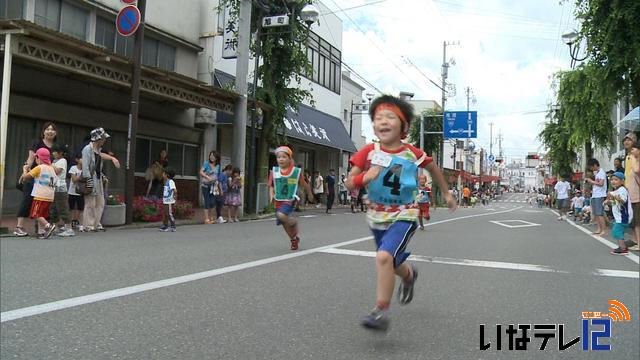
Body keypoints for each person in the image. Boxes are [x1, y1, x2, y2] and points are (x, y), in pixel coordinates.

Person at [345, 94, 457, 331]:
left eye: (390, 117)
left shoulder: (412, 154)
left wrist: (446, 193)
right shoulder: (368, 151)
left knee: (384, 257)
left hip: (404, 213)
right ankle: (408, 275)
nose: (383, 121)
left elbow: (434, 168)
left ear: (404, 126)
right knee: (391, 262)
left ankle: (380, 312)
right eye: (378, 118)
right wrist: (365, 176)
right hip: (376, 215)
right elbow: (349, 182)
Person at [14, 122, 57, 237]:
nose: (50, 131)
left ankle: (42, 229)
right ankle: (19, 227)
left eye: (52, 129)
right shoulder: (36, 142)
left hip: (46, 179)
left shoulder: (56, 146)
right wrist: (25, 172)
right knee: (27, 200)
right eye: (47, 129)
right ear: (43, 131)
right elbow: (30, 158)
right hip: (34, 175)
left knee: (43, 204)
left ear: (55, 132)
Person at [268, 146, 314, 250]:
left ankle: (293, 222)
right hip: (278, 200)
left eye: (284, 157)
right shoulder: (274, 172)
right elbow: (271, 185)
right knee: (283, 223)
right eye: (279, 157)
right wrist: (271, 196)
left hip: (290, 199)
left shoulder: (295, 172)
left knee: (281, 215)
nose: (281, 159)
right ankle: (294, 239)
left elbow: (305, 185)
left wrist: (310, 194)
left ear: (289, 158)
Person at [82, 128, 120, 232]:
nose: (104, 140)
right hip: (91, 179)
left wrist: (113, 159)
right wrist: (89, 182)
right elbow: (85, 167)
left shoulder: (98, 150)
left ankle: (96, 224)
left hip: (98, 179)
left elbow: (101, 158)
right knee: (90, 203)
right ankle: (88, 225)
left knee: (100, 202)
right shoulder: (87, 149)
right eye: (103, 138)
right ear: (97, 139)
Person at [18, 148, 57, 239]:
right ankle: (41, 232)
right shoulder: (51, 168)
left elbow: (25, 177)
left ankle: (48, 226)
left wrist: (24, 169)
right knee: (42, 214)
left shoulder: (39, 167)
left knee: (36, 214)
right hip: (50, 196)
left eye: (36, 158)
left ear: (38, 158)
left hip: (40, 195)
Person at [605, 172, 633, 255]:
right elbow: (615, 203)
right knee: (618, 231)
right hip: (619, 216)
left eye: (616, 180)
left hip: (623, 216)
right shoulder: (617, 190)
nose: (613, 181)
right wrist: (608, 202)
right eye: (612, 179)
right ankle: (622, 246)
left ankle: (623, 248)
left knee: (617, 231)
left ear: (622, 181)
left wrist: (614, 197)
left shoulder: (622, 190)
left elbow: (623, 200)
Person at [50, 145, 74, 237]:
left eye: (55, 151)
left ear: (61, 153)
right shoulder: (54, 161)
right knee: (53, 208)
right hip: (53, 186)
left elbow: (57, 171)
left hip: (60, 187)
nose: (53, 153)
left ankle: (69, 228)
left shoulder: (62, 160)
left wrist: (50, 165)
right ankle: (55, 227)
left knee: (63, 207)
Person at [623, 133, 640, 251]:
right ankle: (635, 240)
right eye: (625, 140)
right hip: (630, 189)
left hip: (636, 191)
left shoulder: (635, 158)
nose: (626, 142)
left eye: (629, 140)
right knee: (633, 217)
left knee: (637, 218)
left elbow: (636, 170)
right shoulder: (628, 156)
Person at [586, 158, 607, 235]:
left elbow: (601, 183)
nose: (591, 169)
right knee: (596, 213)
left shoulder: (601, 172)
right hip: (595, 195)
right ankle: (599, 229)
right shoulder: (597, 173)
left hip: (600, 195)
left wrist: (591, 182)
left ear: (595, 165)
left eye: (591, 167)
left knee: (599, 213)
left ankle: (603, 230)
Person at [200, 151, 220, 224]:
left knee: (212, 202)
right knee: (207, 201)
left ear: (216, 158)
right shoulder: (206, 163)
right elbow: (201, 172)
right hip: (205, 185)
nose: (211, 157)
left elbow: (217, 175)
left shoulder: (218, 166)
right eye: (210, 155)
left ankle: (211, 217)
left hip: (213, 186)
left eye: (213, 156)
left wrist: (217, 183)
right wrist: (207, 177)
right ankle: (206, 219)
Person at [67, 154, 85, 231]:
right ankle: (69, 224)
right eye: (81, 158)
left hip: (82, 192)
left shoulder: (86, 168)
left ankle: (80, 224)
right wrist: (82, 175)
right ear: (77, 160)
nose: (83, 160)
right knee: (70, 208)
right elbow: (74, 179)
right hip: (72, 192)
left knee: (81, 209)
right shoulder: (73, 168)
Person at [159, 167, 177, 232]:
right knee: (165, 213)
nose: (162, 174)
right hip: (166, 201)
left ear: (167, 175)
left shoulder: (171, 181)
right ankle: (165, 225)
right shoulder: (166, 181)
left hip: (169, 201)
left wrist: (175, 199)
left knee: (169, 214)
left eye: (163, 173)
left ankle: (173, 226)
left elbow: (175, 190)